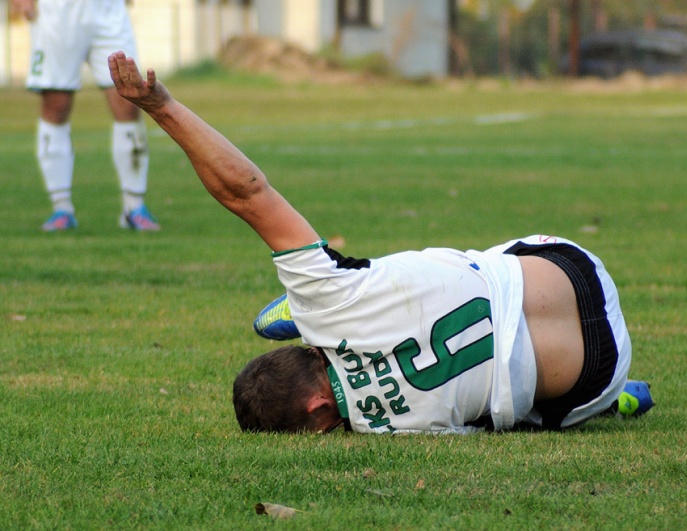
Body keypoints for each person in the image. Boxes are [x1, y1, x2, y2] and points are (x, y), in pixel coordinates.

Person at [108, 51, 652, 435]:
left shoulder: (394, 432)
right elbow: (246, 193)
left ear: (319, 415)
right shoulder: (326, 298)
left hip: (597, 379)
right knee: (419, 278)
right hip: (567, 264)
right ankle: (305, 310)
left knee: (506, 414)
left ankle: (620, 401)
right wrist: (161, 106)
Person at [12, 0, 159, 231]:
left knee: (129, 99)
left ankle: (134, 207)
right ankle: (61, 208)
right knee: (56, 104)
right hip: (58, 11)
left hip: (108, 9)